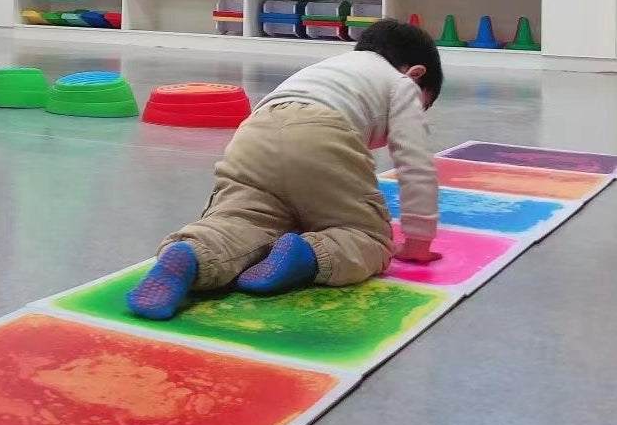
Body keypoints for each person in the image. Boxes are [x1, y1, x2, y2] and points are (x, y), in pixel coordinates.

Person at [128, 19, 443, 320]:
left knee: (242, 220)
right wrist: (418, 240)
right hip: (323, 134)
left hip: (254, 134)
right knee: (369, 238)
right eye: (424, 106)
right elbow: (415, 164)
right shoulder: (403, 85)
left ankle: (192, 254)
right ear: (415, 74)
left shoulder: (329, 69)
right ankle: (305, 255)